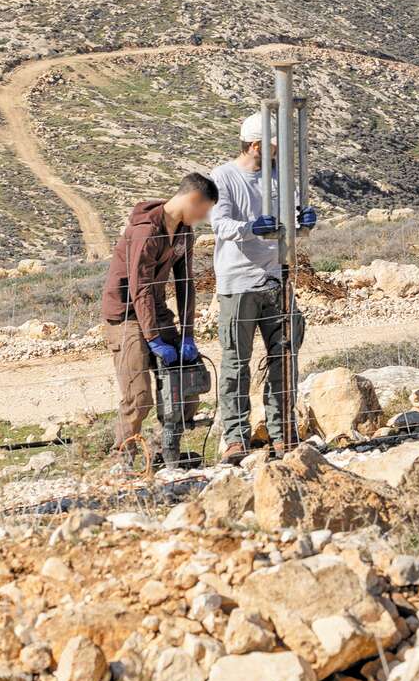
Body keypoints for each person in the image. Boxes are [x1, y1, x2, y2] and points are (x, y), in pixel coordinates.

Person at [101, 172, 217, 470]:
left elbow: (186, 283)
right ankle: (123, 460)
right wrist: (153, 339)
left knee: (188, 382)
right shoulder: (146, 231)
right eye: (204, 211)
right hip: (125, 315)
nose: (204, 218)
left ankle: (163, 452)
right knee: (138, 395)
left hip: (154, 308)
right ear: (193, 199)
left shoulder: (182, 232)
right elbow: (139, 288)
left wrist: (187, 335)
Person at [211, 112, 302, 464]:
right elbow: (220, 224)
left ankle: (283, 433)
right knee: (236, 361)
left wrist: (301, 219)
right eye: (272, 146)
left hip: (275, 278)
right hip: (238, 282)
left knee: (283, 357)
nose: (277, 153)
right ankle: (236, 437)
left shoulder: (279, 175)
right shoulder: (224, 177)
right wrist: (252, 227)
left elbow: (292, 212)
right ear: (254, 145)